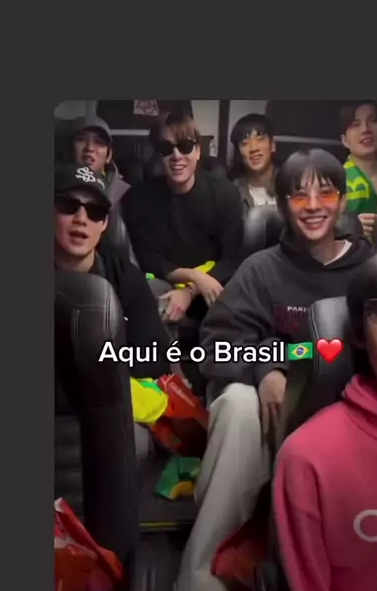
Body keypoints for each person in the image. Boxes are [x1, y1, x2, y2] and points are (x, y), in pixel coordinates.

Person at [174, 149, 372, 591]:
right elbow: (217, 344)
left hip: (350, 416)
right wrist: (267, 369)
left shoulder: (371, 272)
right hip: (273, 417)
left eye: (326, 193)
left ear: (343, 201)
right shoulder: (261, 269)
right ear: (282, 206)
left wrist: (286, 357)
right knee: (238, 404)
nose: (313, 206)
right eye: (299, 196)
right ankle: (200, 579)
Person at [274, 249, 377, 591]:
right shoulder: (311, 458)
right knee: (237, 406)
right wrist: (269, 369)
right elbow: (228, 340)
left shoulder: (360, 258)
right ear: (358, 332)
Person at [54, 163, 170, 459]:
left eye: (94, 212)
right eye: (69, 206)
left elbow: (155, 355)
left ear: (105, 223)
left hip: (105, 405)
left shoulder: (124, 276)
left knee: (135, 443)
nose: (81, 219)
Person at [123, 111, 245, 333]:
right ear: (158, 155)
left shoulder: (226, 194)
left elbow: (232, 258)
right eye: (166, 148)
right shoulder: (137, 199)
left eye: (185, 146)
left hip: (214, 281)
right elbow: (148, 258)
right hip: (165, 282)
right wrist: (192, 276)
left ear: (198, 151)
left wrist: (190, 290)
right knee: (153, 301)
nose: (176, 156)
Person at [69, 115, 137, 263]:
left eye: (98, 142)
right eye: (81, 139)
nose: (89, 148)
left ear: (108, 155)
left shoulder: (126, 194)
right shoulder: (57, 190)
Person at [340, 101, 377, 241]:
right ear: (344, 140)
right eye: (355, 124)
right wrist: (350, 227)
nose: (365, 129)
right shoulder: (335, 183)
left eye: (373, 121)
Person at [230, 113, 278, 217]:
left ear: (272, 145)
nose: (253, 148)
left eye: (260, 139)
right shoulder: (231, 193)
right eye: (245, 143)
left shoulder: (290, 183)